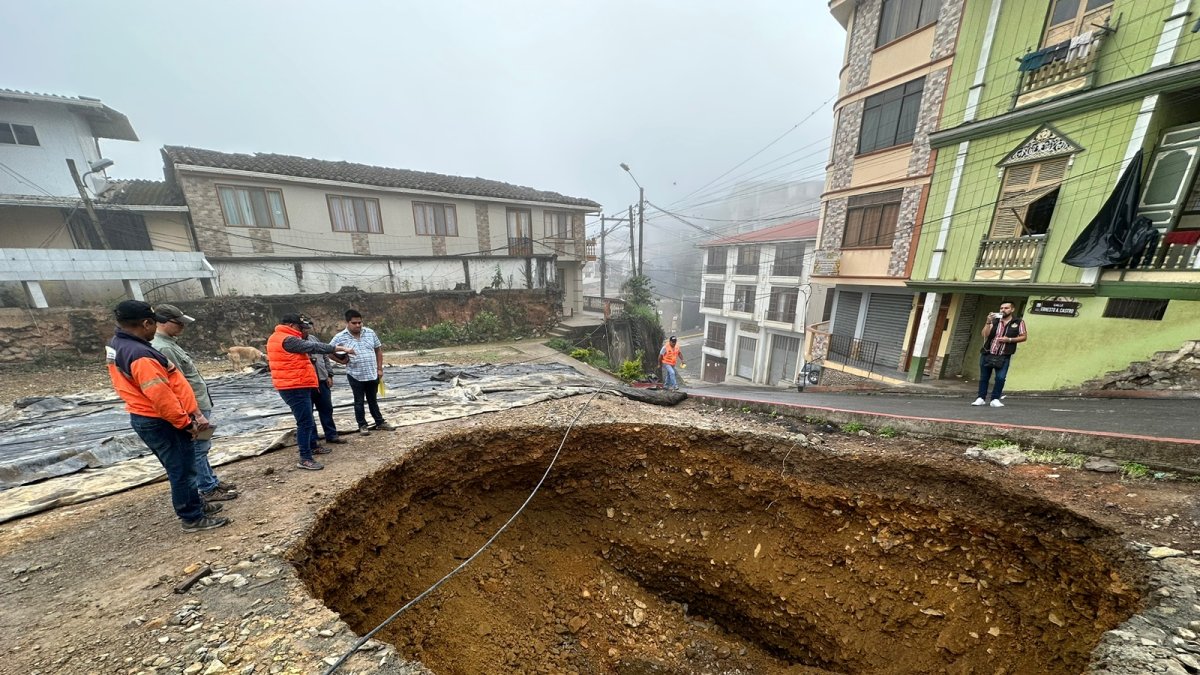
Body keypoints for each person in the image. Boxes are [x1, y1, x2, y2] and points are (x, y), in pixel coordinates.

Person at [106, 300, 228, 532]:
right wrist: (185, 423)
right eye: (153, 324)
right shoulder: (140, 354)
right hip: (160, 420)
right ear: (146, 323)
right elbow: (162, 396)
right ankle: (192, 517)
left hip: (150, 416)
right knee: (181, 469)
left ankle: (195, 504)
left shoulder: (121, 344)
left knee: (184, 466)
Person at [152, 304, 238, 503]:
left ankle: (211, 481)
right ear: (163, 322)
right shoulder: (163, 347)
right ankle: (207, 488)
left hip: (198, 403)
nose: (182, 327)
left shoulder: (169, 342)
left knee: (203, 445)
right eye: (178, 323)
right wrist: (195, 412)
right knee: (198, 448)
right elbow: (177, 384)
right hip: (192, 407)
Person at [267, 313, 356, 470]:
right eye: (301, 327)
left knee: (312, 417)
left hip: (298, 384)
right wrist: (338, 348)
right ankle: (305, 458)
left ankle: (313, 446)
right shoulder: (287, 339)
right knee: (306, 422)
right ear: (292, 326)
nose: (303, 331)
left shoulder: (280, 337)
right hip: (294, 387)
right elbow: (314, 347)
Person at [331, 309, 394, 434]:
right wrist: (341, 361)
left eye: (360, 322)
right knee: (359, 401)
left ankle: (379, 422)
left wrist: (379, 368)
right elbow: (328, 351)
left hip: (372, 373)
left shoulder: (370, 333)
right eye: (354, 323)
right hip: (355, 375)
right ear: (347, 323)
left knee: (373, 400)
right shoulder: (340, 337)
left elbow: (378, 350)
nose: (358, 325)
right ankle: (362, 425)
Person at [300, 315, 348, 446]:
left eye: (308, 327)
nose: (306, 330)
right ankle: (313, 440)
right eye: (304, 328)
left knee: (326, 409)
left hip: (321, 380)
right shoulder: (295, 343)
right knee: (308, 413)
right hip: (306, 383)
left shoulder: (313, 339)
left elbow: (325, 357)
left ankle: (331, 435)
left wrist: (329, 375)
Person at [973, 301, 1028, 408]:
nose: (1003, 310)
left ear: (1012, 310)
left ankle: (995, 399)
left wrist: (1010, 339)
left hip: (1004, 355)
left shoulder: (1018, 322)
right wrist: (988, 322)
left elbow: (1024, 337)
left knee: (1000, 378)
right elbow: (984, 334)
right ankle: (981, 398)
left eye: (1006, 308)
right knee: (984, 377)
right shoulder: (995, 321)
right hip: (988, 353)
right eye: (1001, 308)